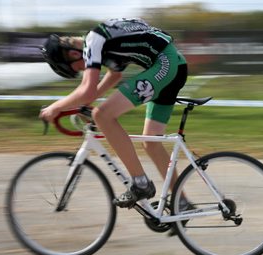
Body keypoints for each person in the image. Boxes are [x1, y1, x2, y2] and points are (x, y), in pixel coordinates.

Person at [39, 18, 188, 209]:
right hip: (173, 64)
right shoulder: (103, 42)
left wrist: (56, 107)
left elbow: (88, 90)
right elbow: (113, 76)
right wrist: (82, 104)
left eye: (75, 68)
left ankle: (140, 183)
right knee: (151, 142)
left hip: (165, 64)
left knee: (103, 115)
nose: (81, 70)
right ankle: (181, 202)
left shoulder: (93, 40)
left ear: (74, 53)